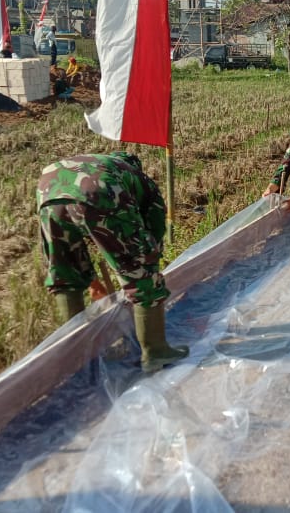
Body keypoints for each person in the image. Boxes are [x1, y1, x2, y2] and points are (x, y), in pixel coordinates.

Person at [37, 152, 188, 373]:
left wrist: (99, 263)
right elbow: (154, 228)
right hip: (99, 193)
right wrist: (144, 269)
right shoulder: (137, 178)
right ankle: (155, 352)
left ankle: (80, 362)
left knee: (66, 274)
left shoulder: (100, 163)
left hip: (49, 191)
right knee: (141, 274)